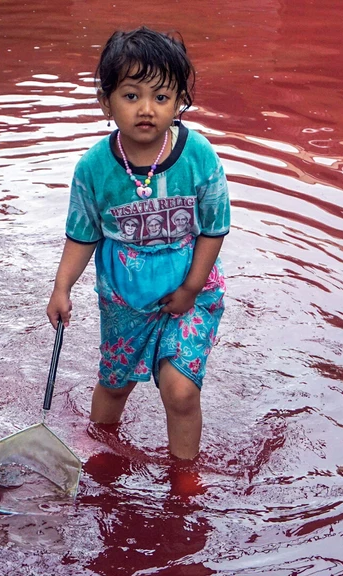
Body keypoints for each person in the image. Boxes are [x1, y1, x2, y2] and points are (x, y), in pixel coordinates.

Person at [46, 26, 231, 460]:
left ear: (179, 102)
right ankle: (100, 452)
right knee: (115, 386)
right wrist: (62, 287)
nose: (146, 109)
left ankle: (184, 477)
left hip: (191, 291)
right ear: (105, 101)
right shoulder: (94, 168)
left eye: (161, 97)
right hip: (124, 301)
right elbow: (83, 234)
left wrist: (189, 289)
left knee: (181, 391)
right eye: (131, 96)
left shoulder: (197, 155)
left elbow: (214, 227)